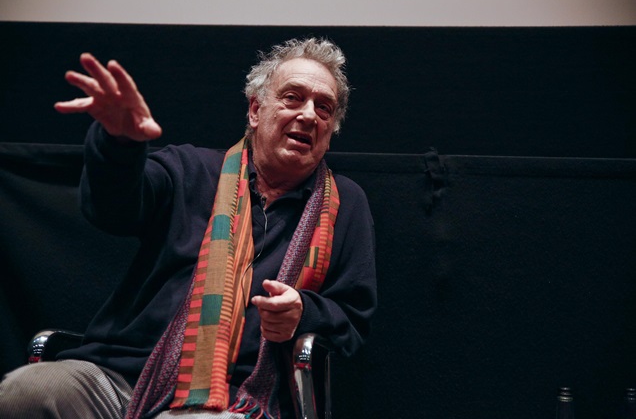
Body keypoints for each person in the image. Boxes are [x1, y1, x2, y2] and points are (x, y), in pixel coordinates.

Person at [0, 38, 376, 419]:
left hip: (232, 396)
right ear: (255, 110)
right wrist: (120, 144)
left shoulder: (346, 204)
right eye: (293, 98)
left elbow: (352, 318)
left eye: (324, 107)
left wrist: (304, 313)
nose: (309, 115)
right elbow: (112, 209)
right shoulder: (189, 170)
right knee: (24, 393)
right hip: (121, 376)